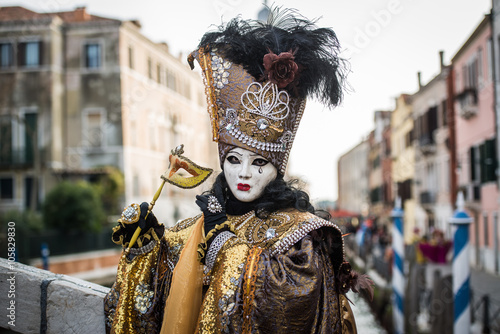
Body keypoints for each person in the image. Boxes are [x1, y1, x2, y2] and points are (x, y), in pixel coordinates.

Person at [104, 7, 371, 334]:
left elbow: (288, 306)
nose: (243, 173)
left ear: (277, 167)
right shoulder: (197, 226)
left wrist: (223, 241)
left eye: (259, 162)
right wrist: (145, 247)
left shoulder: (302, 239)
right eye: (233, 160)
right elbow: (160, 297)